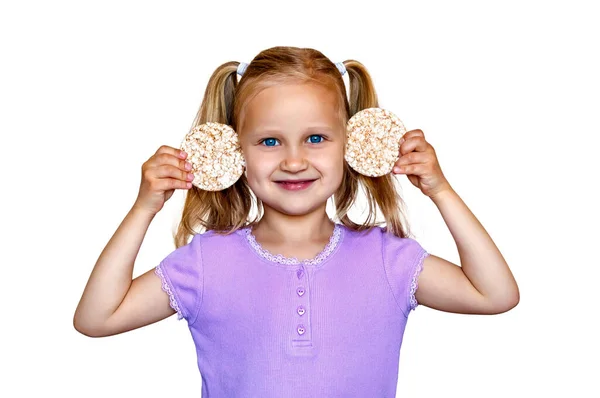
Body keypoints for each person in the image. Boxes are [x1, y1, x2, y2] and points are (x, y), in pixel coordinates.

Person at [73, 46, 519, 397]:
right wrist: (143, 208)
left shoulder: (387, 259)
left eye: (315, 138)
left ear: (352, 143)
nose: (293, 160)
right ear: (234, 152)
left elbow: (495, 294)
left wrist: (439, 190)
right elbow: (97, 318)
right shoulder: (206, 262)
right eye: (269, 140)